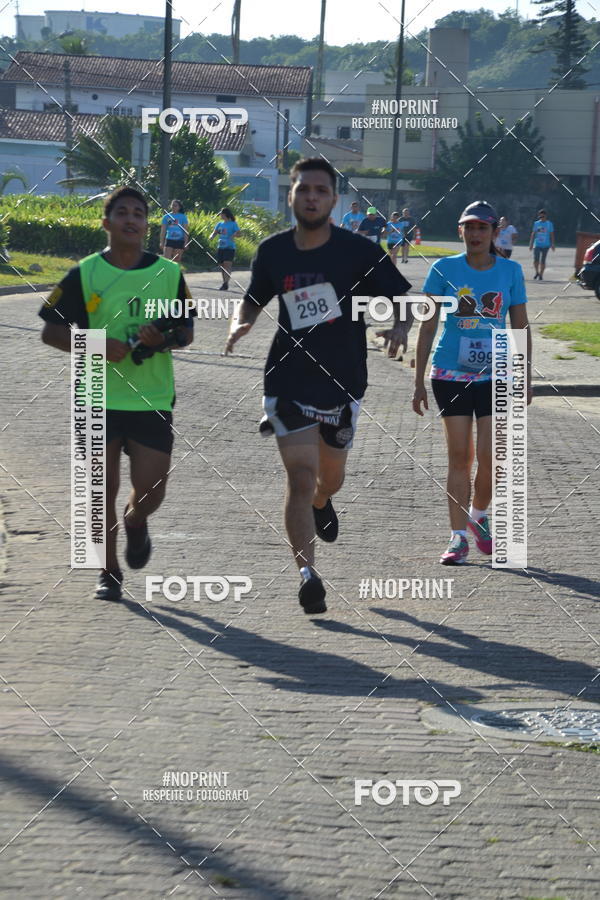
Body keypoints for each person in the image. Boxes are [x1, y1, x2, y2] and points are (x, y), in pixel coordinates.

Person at [224, 157, 412, 614]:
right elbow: (252, 300)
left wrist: (401, 328)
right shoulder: (273, 251)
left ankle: (326, 502)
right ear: (291, 195)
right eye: (303, 188)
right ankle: (307, 573)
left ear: (333, 199)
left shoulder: (358, 251)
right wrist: (240, 324)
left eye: (320, 190)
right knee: (300, 478)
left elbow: (404, 298)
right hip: (287, 378)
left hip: (343, 380)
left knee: (330, 479)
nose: (311, 196)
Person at [39, 186, 195, 601]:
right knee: (97, 490)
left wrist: (160, 340)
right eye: (122, 213)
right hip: (95, 395)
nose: (131, 220)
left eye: (139, 214)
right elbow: (51, 331)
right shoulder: (84, 273)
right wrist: (95, 345)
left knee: (151, 490)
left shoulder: (169, 274)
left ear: (147, 225)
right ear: (106, 223)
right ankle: (108, 572)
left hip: (151, 398)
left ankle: (137, 520)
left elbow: (187, 332)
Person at [412, 200, 532, 565]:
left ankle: (479, 516)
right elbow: (428, 323)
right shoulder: (443, 268)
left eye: (484, 227)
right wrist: (417, 380)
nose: (476, 234)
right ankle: (457, 538)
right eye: (470, 227)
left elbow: (521, 327)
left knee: (493, 458)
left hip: (496, 374)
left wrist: (524, 377)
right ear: (460, 231)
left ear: (495, 232)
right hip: (450, 373)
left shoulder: (510, 271)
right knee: (459, 457)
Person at [210, 207, 240, 291]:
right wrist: (212, 236)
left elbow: (239, 233)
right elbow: (215, 232)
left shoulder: (233, 224)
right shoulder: (219, 224)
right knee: (222, 266)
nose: (220, 216)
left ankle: (226, 283)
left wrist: (234, 235)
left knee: (227, 264)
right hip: (221, 247)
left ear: (226, 214)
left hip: (230, 247)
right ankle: (224, 283)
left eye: (222, 214)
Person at [529, 208, 554, 280]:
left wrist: (552, 244)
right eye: (540, 217)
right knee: (536, 260)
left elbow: (552, 234)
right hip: (537, 244)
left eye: (542, 217)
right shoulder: (536, 223)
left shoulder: (549, 224)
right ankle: (537, 272)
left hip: (546, 245)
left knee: (543, 260)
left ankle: (541, 274)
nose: (541, 218)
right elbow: (533, 234)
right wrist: (531, 244)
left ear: (546, 216)